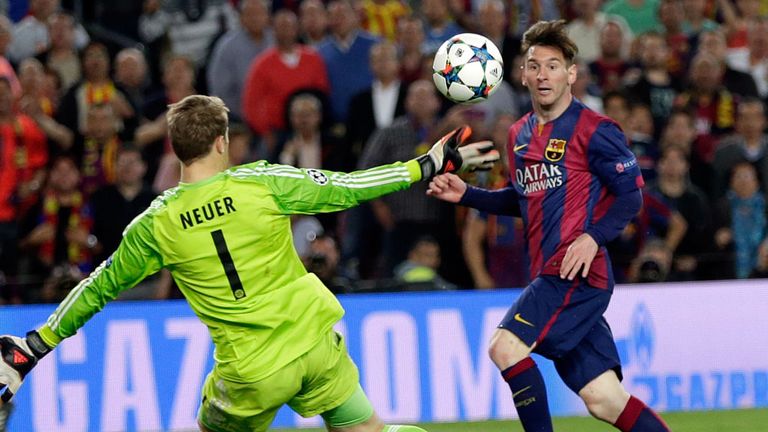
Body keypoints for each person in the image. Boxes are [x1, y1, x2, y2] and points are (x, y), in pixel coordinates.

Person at [0, 94, 498, 431]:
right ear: (222, 141)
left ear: (176, 150)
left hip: (251, 372)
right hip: (315, 341)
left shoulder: (157, 224)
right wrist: (426, 163)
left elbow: (97, 287)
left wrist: (37, 345)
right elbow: (350, 188)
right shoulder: (262, 181)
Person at [427, 20, 670, 432]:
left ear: (571, 74)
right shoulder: (519, 135)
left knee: (505, 347)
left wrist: (592, 239)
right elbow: (522, 199)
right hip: (552, 274)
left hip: (576, 273)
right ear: (522, 74)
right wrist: (467, 194)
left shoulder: (596, 130)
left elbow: (631, 196)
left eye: (553, 66)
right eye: (534, 66)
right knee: (604, 399)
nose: (543, 75)